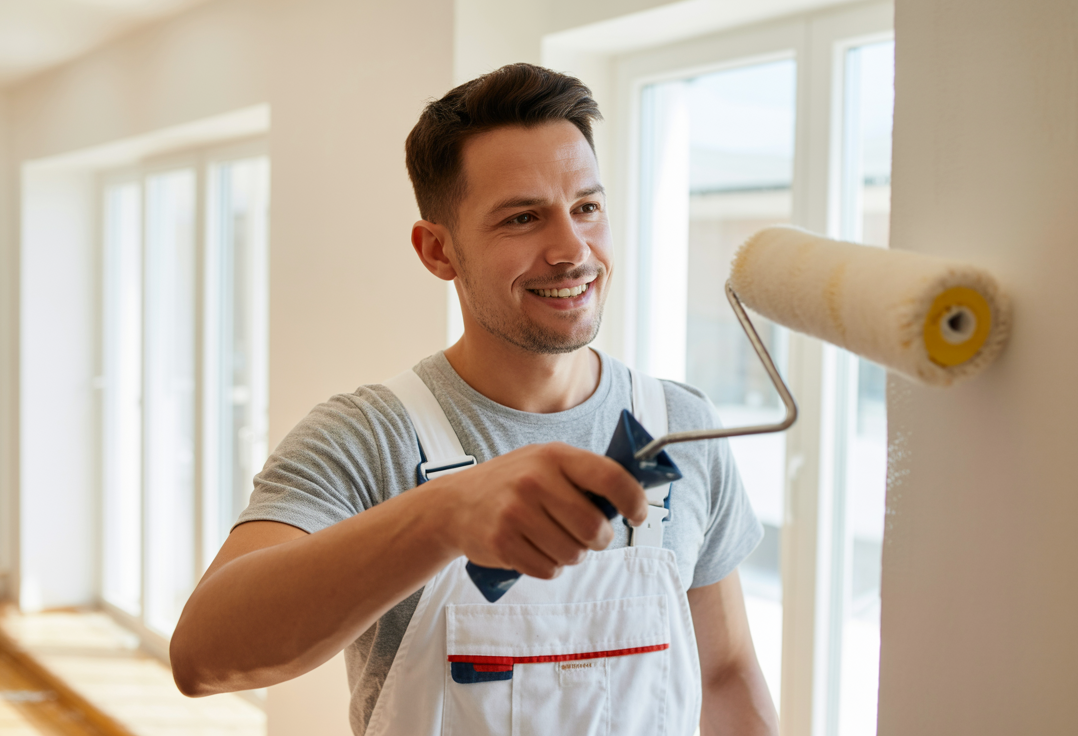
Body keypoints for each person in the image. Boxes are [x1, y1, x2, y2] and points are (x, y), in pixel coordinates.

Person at [169, 63, 777, 736]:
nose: (572, 250)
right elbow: (203, 657)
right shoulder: (367, 438)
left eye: (587, 207)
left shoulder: (679, 429)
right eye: (523, 218)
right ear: (438, 251)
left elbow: (724, 675)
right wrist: (443, 516)